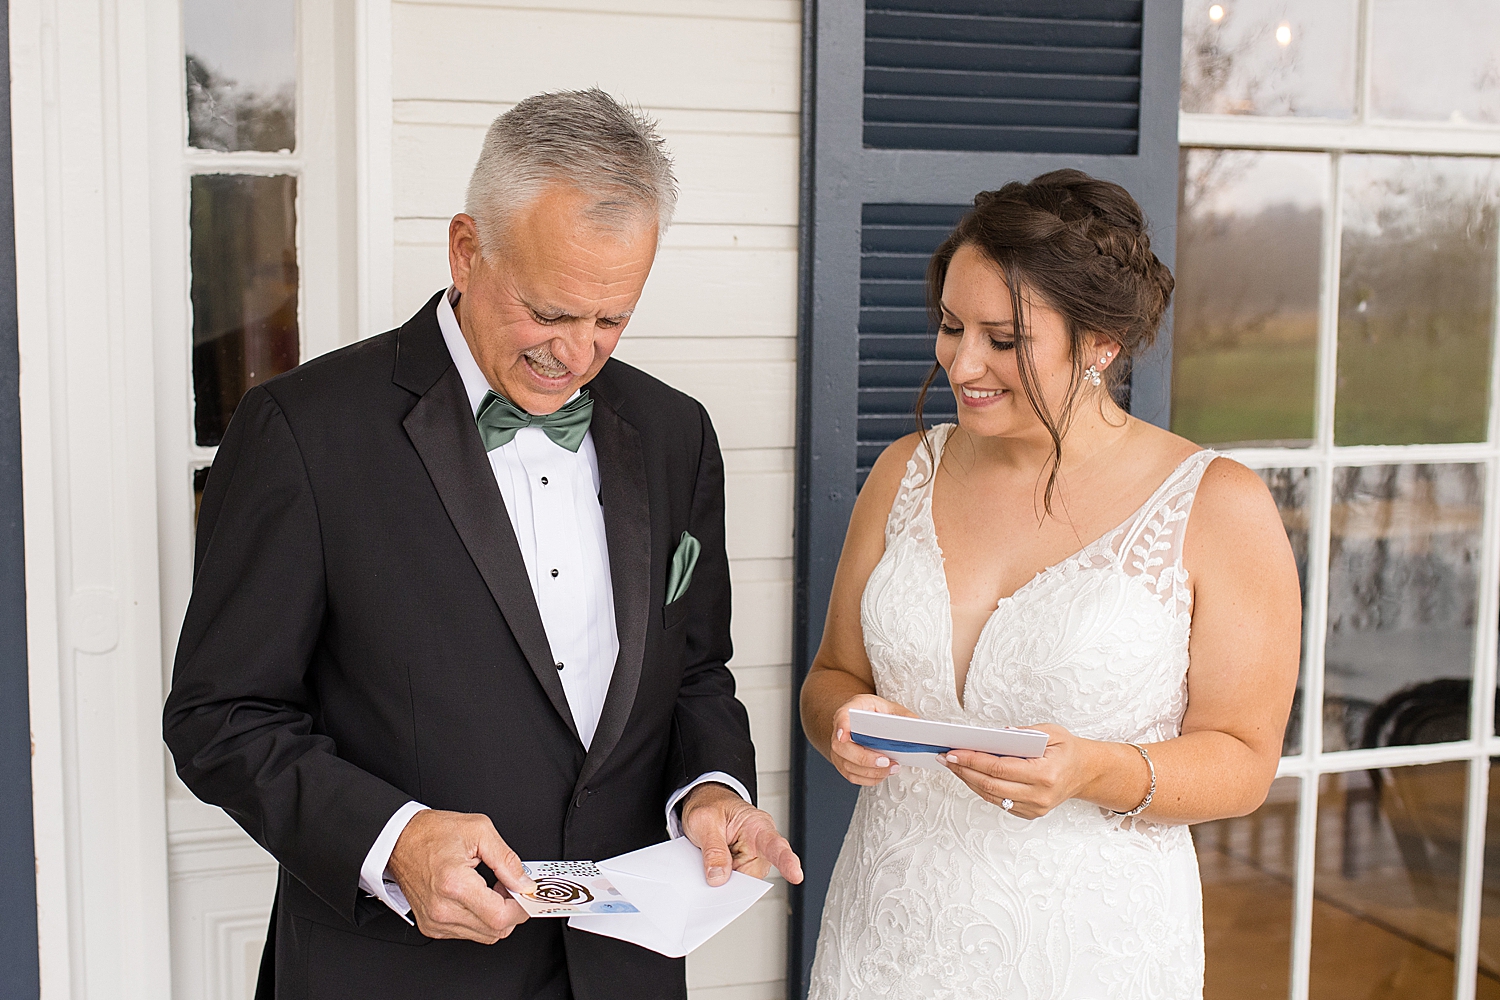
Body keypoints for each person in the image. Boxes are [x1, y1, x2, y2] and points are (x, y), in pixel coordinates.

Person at [163, 88, 802, 1000]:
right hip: (394, 972)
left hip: (622, 969)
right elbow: (219, 716)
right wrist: (393, 839)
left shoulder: (676, 433)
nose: (575, 354)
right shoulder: (302, 431)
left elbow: (696, 671)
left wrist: (709, 792)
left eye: (611, 319)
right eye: (548, 311)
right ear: (467, 249)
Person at [799, 169, 1300, 999]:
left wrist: (1092, 770)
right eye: (952, 326)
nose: (963, 362)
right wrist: (842, 724)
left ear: (1101, 342)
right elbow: (833, 678)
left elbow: (1244, 763)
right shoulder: (902, 473)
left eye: (1003, 339)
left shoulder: (1217, 506)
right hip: (885, 935)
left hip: (1085, 952)